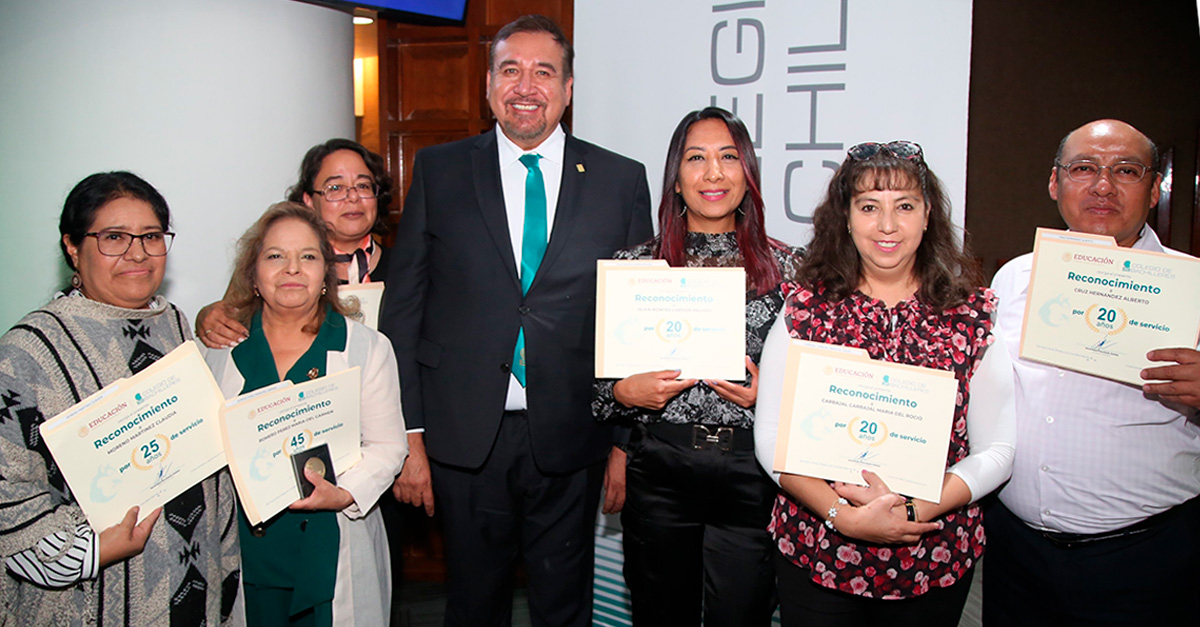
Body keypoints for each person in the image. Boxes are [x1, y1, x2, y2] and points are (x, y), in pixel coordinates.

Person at [379, 14, 653, 626]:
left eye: (543, 72)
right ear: (487, 84)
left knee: (565, 606)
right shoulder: (440, 170)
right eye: (510, 70)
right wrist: (410, 436)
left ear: (569, 87)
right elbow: (404, 310)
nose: (525, 86)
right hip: (462, 434)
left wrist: (622, 447)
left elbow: (631, 322)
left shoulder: (619, 180)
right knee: (474, 604)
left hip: (575, 433)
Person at [753, 142, 1015, 626]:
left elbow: (997, 449)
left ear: (928, 214)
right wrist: (843, 516)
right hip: (820, 550)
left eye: (905, 207)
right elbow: (771, 439)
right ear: (846, 217)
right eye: (869, 207)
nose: (887, 226)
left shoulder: (973, 316)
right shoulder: (805, 310)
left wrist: (914, 510)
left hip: (932, 556)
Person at [984, 119, 1200, 625]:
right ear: (1055, 183)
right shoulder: (1014, 277)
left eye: (1126, 170)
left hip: (1145, 562)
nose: (1103, 185)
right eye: (1084, 168)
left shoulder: (1194, 289)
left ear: (1153, 191)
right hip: (1016, 555)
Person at [0, 172, 240, 625]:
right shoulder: (26, 353)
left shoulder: (174, 325)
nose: (137, 253)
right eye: (114, 237)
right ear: (72, 246)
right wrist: (90, 550)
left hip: (195, 591)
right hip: (88, 601)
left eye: (151, 237)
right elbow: (9, 493)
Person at [592, 107, 801, 626]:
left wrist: (769, 395)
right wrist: (624, 393)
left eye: (728, 157)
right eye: (696, 158)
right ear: (676, 180)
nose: (713, 173)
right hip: (661, 470)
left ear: (747, 174)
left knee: (743, 617)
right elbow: (597, 394)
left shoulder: (793, 270)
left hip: (755, 475)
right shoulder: (635, 267)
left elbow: (813, 387)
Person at [203, 202, 407, 625]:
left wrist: (347, 492)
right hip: (245, 551)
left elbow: (389, 447)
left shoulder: (364, 346)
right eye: (275, 256)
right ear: (253, 273)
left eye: (308, 256)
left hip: (330, 543)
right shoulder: (219, 350)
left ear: (326, 274)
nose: (292, 268)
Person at [197, 138, 395, 348]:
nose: (353, 197)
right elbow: (228, 317)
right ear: (309, 200)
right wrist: (206, 318)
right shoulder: (271, 265)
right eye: (335, 187)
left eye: (363, 186)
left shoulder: (407, 267)